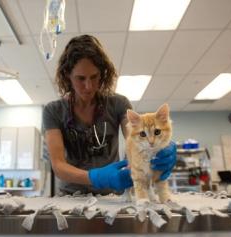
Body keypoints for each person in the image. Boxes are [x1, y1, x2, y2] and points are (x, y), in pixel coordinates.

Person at [42, 35, 176, 195]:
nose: (88, 86)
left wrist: (162, 148)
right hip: (71, 197)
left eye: (94, 77)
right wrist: (96, 177)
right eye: (80, 78)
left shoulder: (118, 104)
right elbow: (58, 166)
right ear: (67, 76)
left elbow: (135, 140)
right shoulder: (53, 111)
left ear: (103, 74)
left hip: (112, 195)